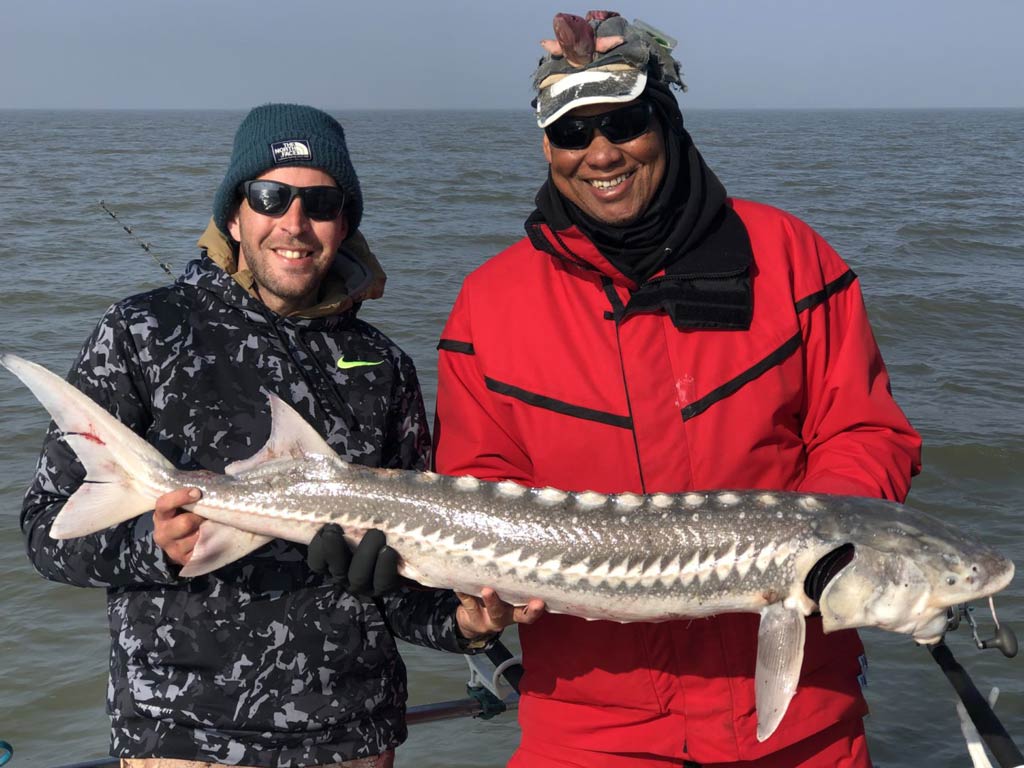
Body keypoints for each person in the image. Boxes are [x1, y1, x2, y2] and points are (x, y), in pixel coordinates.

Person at [434, 11, 922, 768]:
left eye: (624, 122)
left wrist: (814, 549)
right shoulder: (488, 303)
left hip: (799, 720)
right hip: (589, 724)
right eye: (572, 133)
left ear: (664, 119)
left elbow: (866, 431)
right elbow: (484, 482)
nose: (600, 153)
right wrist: (481, 591)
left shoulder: (792, 258)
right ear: (546, 147)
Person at [20, 103, 527, 768]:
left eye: (319, 202)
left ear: (345, 224)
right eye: (270, 196)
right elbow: (47, 531)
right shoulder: (143, 332)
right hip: (186, 737)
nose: (294, 222)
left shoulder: (383, 365)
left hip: (355, 734)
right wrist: (156, 547)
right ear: (235, 215)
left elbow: (407, 586)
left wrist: (465, 624)